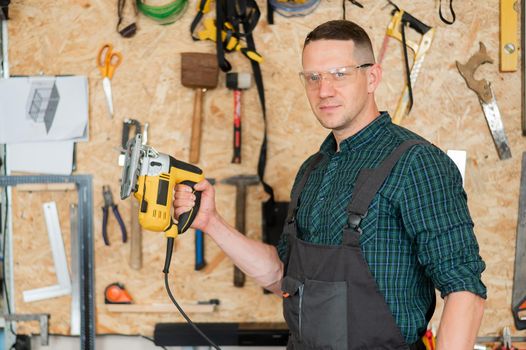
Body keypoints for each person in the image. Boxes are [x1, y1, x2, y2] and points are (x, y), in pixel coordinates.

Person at [173, 20, 486, 350]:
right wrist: (211, 223)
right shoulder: (312, 170)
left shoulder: (416, 163)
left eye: (339, 73)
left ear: (372, 77)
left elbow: (464, 289)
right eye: (313, 77)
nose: (324, 90)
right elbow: (281, 274)